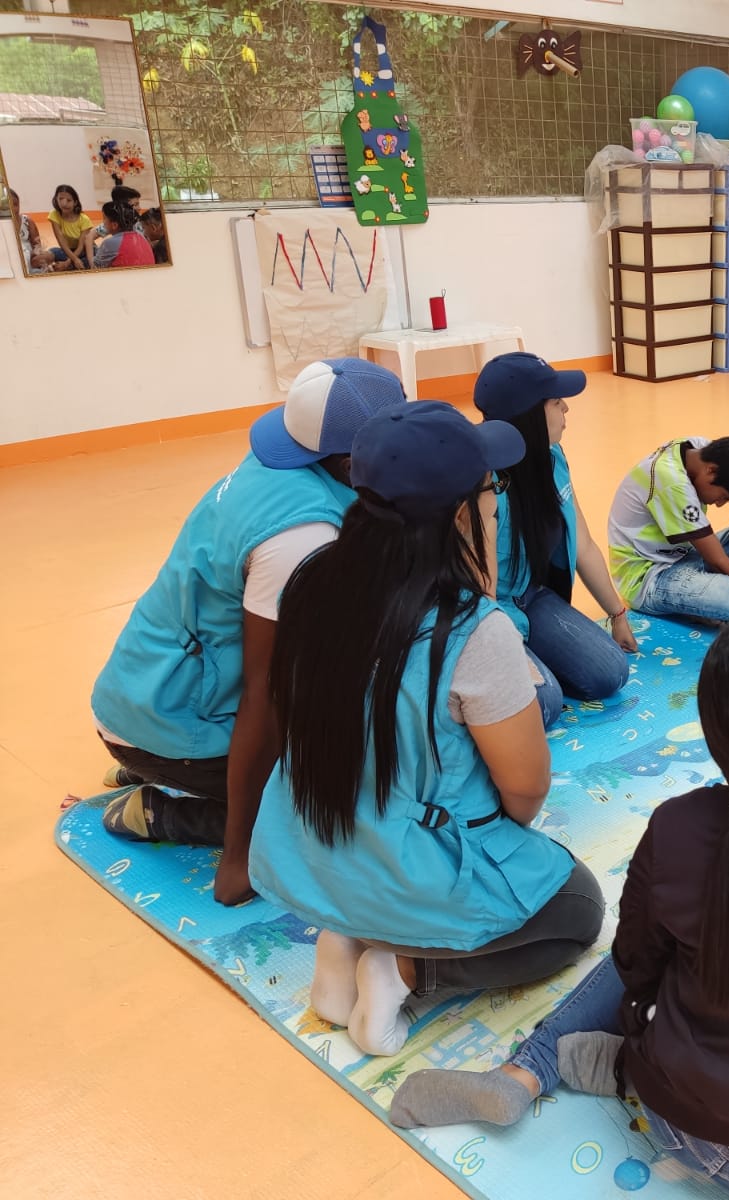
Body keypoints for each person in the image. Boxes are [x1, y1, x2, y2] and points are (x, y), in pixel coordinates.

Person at [386, 605, 729, 1200]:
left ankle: (536, 1069)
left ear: (711, 729)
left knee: (661, 956)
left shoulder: (679, 826)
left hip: (700, 1135)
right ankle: (609, 1065)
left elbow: (636, 969)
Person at [249, 402, 604, 1058]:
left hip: (314, 848)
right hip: (409, 863)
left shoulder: (310, 583)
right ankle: (403, 972)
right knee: (578, 909)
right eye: (492, 492)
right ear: (462, 515)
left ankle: (345, 939)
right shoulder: (472, 630)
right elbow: (526, 791)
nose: (497, 507)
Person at [90, 358, 407, 906]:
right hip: (175, 726)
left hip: (148, 697)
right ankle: (172, 811)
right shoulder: (301, 536)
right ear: (351, 463)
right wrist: (240, 857)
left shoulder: (283, 467)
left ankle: (172, 770)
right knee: (362, 806)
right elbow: (267, 695)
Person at [473, 353, 634, 728]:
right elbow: (480, 594)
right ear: (529, 415)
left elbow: (584, 545)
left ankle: (535, 656)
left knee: (610, 673)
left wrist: (617, 614)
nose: (566, 409)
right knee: (544, 703)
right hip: (490, 611)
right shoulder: (482, 482)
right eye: (556, 401)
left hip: (531, 595)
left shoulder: (552, 457)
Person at [608, 434, 729, 626]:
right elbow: (717, 560)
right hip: (650, 576)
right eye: (724, 496)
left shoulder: (701, 451)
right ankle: (707, 595)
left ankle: (708, 591)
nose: (719, 504)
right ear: (711, 471)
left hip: (689, 553)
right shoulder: (673, 483)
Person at [92, 199, 155, 269]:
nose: (103, 222)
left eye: (104, 218)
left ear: (114, 225)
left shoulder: (109, 243)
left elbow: (95, 267)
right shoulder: (141, 237)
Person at [46, 183, 94, 270]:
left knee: (88, 261)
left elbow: (81, 246)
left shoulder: (84, 219)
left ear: (75, 202)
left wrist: (67, 263)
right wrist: (74, 259)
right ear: (56, 199)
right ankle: (66, 266)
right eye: (61, 199)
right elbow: (61, 240)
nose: (64, 204)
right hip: (66, 251)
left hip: (83, 251)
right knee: (44, 256)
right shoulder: (54, 215)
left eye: (68, 200)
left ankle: (65, 266)